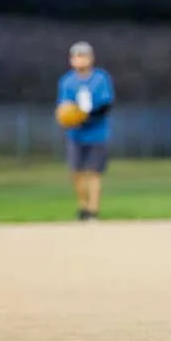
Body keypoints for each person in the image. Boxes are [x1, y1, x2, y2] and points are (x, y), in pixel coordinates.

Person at [57, 41, 115, 221]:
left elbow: (106, 104)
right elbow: (64, 107)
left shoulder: (100, 78)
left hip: (97, 132)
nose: (80, 60)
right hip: (76, 134)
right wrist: (68, 117)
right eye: (76, 56)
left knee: (94, 171)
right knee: (77, 172)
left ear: (91, 58)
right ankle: (83, 206)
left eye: (83, 56)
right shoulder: (67, 81)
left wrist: (86, 116)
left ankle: (93, 209)